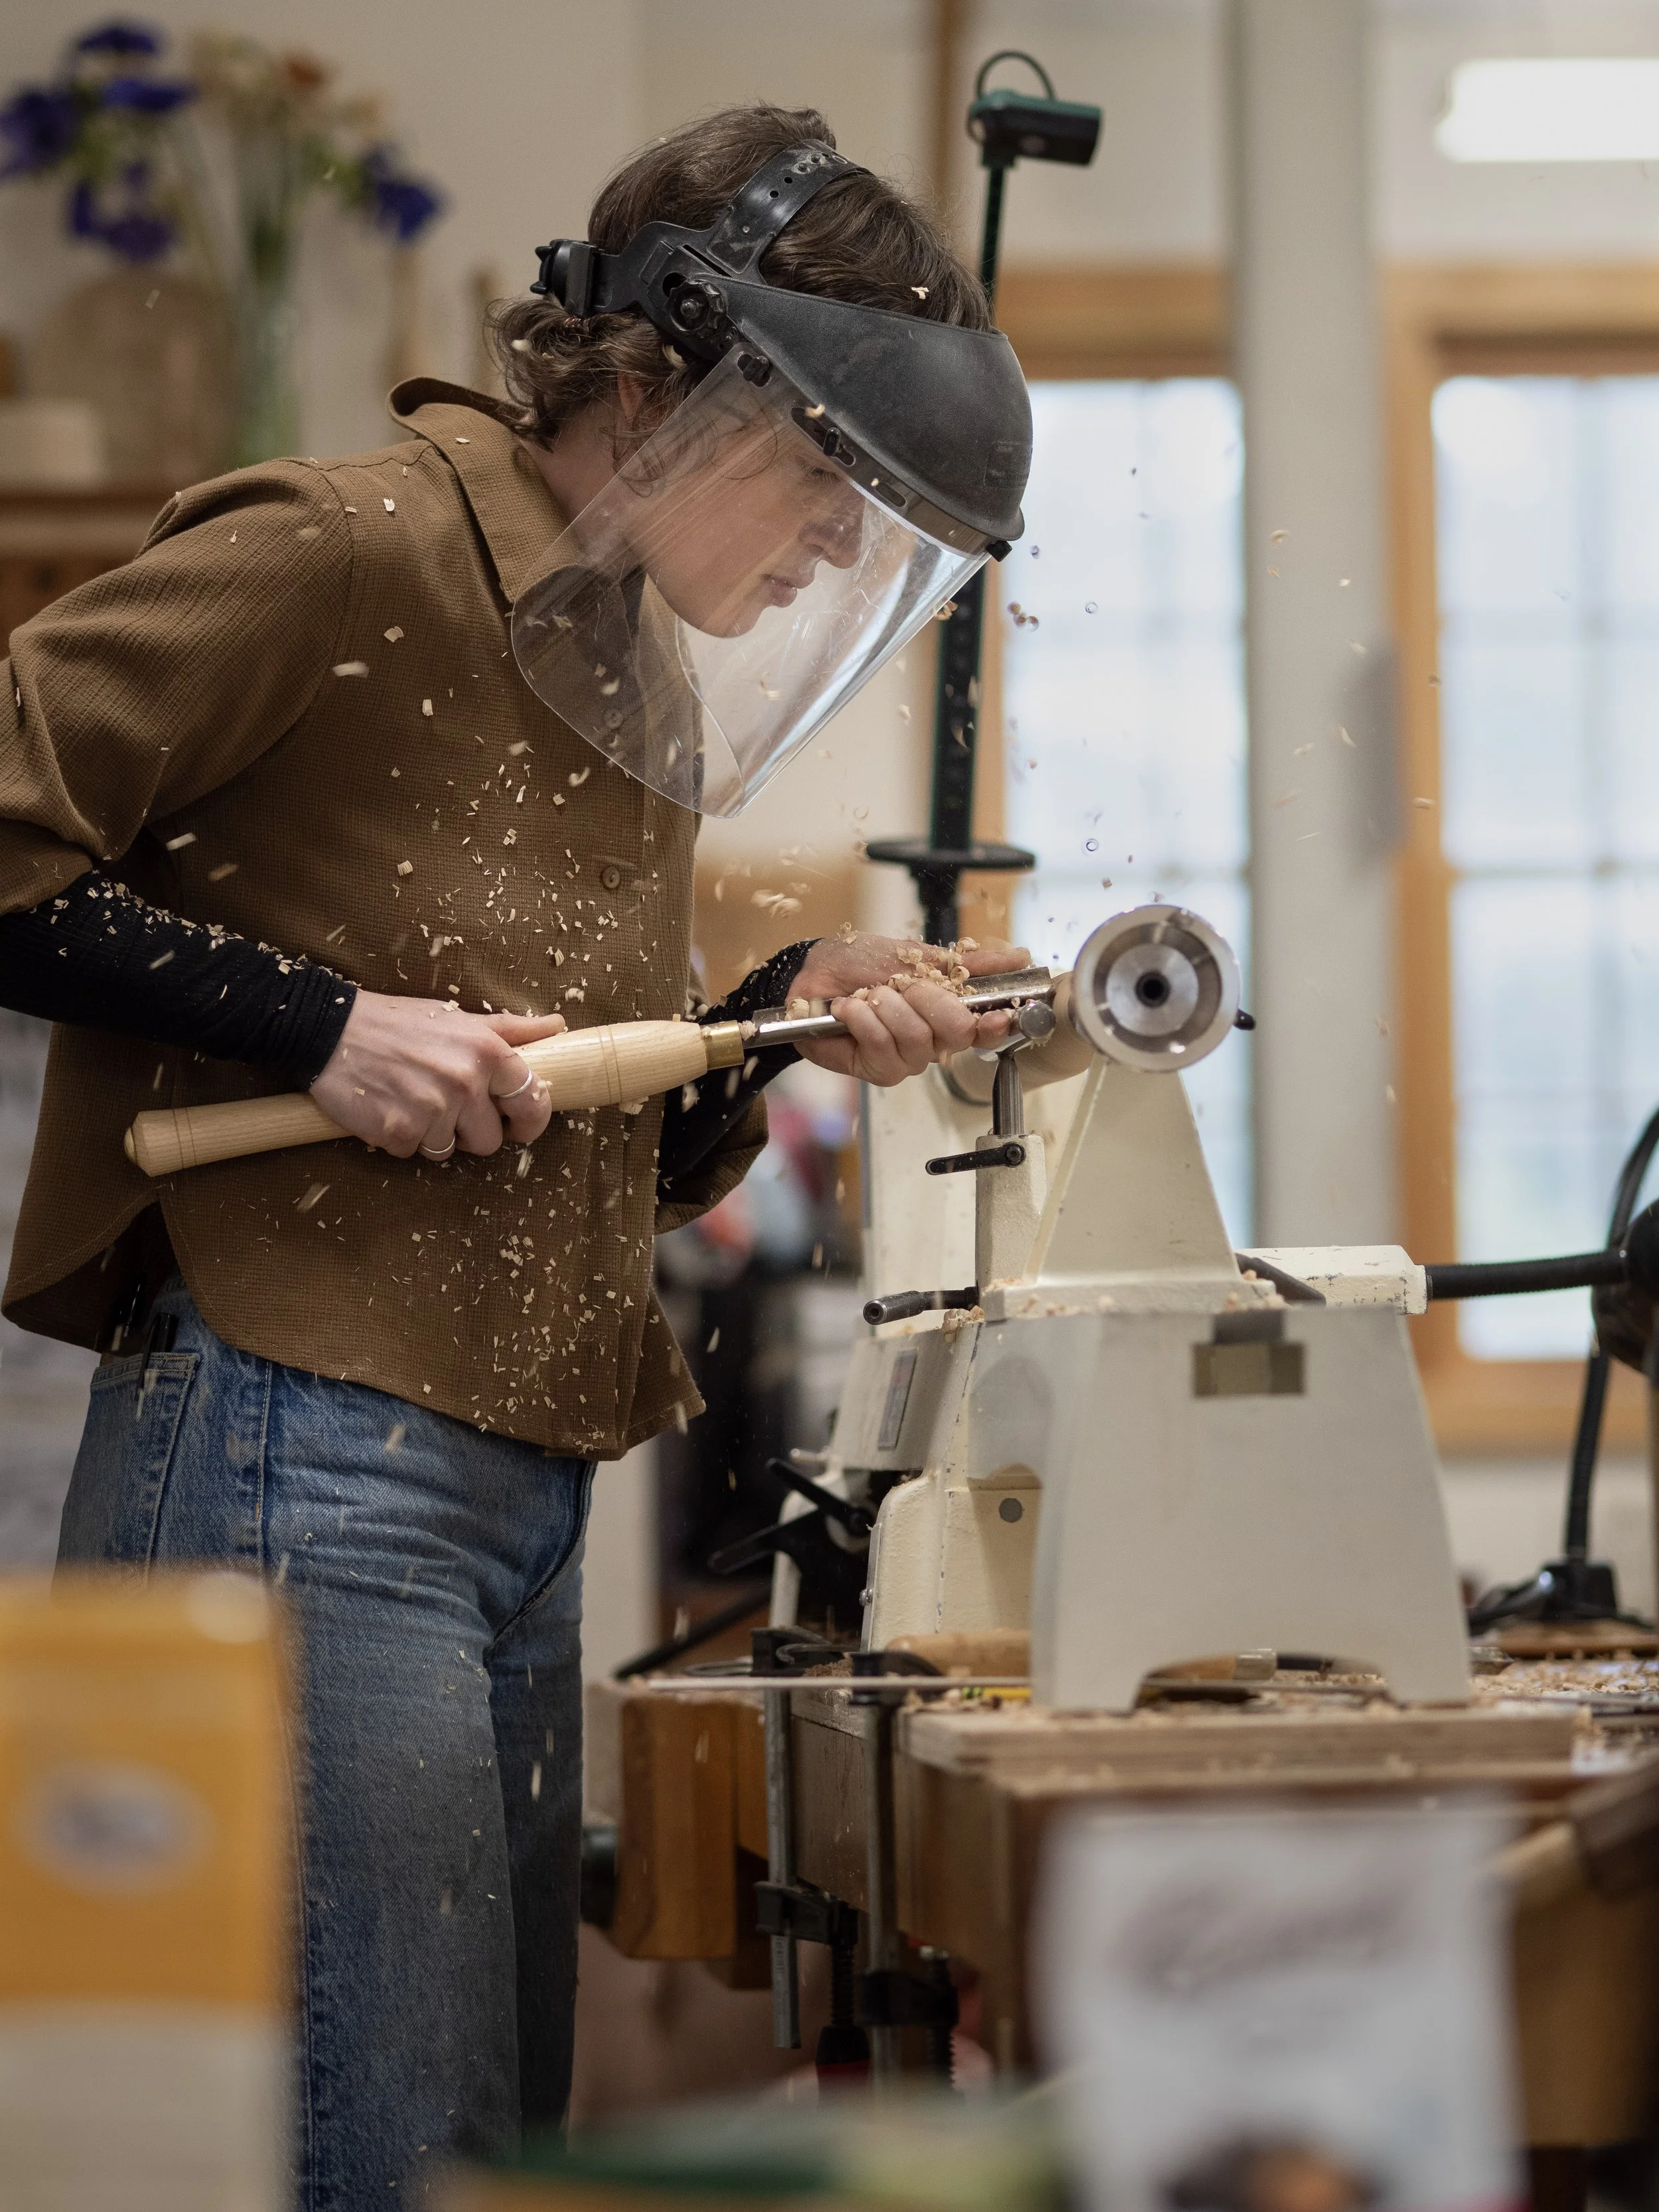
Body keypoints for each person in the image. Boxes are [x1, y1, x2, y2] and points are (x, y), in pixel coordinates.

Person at [0, 103, 1032, 2205]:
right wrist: (320, 1025)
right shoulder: (348, 548)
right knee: (377, 2158)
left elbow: (589, 1145)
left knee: (488, 2155)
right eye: (825, 476)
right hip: (297, 1435)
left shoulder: (617, 657)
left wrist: (776, 1017)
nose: (837, 551)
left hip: (515, 1475)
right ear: (649, 376)